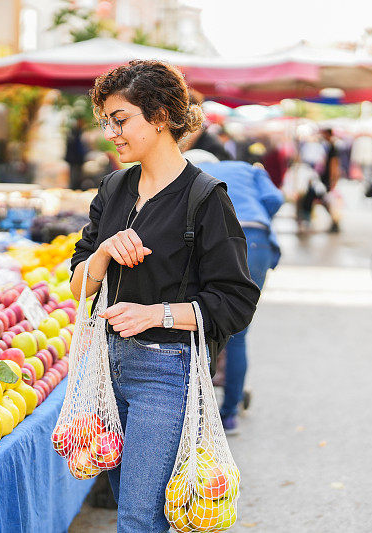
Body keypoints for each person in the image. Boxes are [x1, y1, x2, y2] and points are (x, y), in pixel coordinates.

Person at [69, 60, 260, 531]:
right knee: (131, 510)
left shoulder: (205, 197)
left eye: (121, 119)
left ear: (158, 117)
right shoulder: (114, 188)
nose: (110, 132)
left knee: (138, 519)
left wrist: (157, 314)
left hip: (164, 373)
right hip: (106, 368)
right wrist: (102, 256)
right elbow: (79, 285)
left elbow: (236, 302)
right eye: (105, 121)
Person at [185, 149, 283, 434]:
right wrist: (258, 217)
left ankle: (197, 413)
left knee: (202, 324)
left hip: (224, 241)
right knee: (238, 333)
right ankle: (229, 415)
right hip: (259, 241)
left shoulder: (193, 176)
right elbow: (275, 198)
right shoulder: (248, 168)